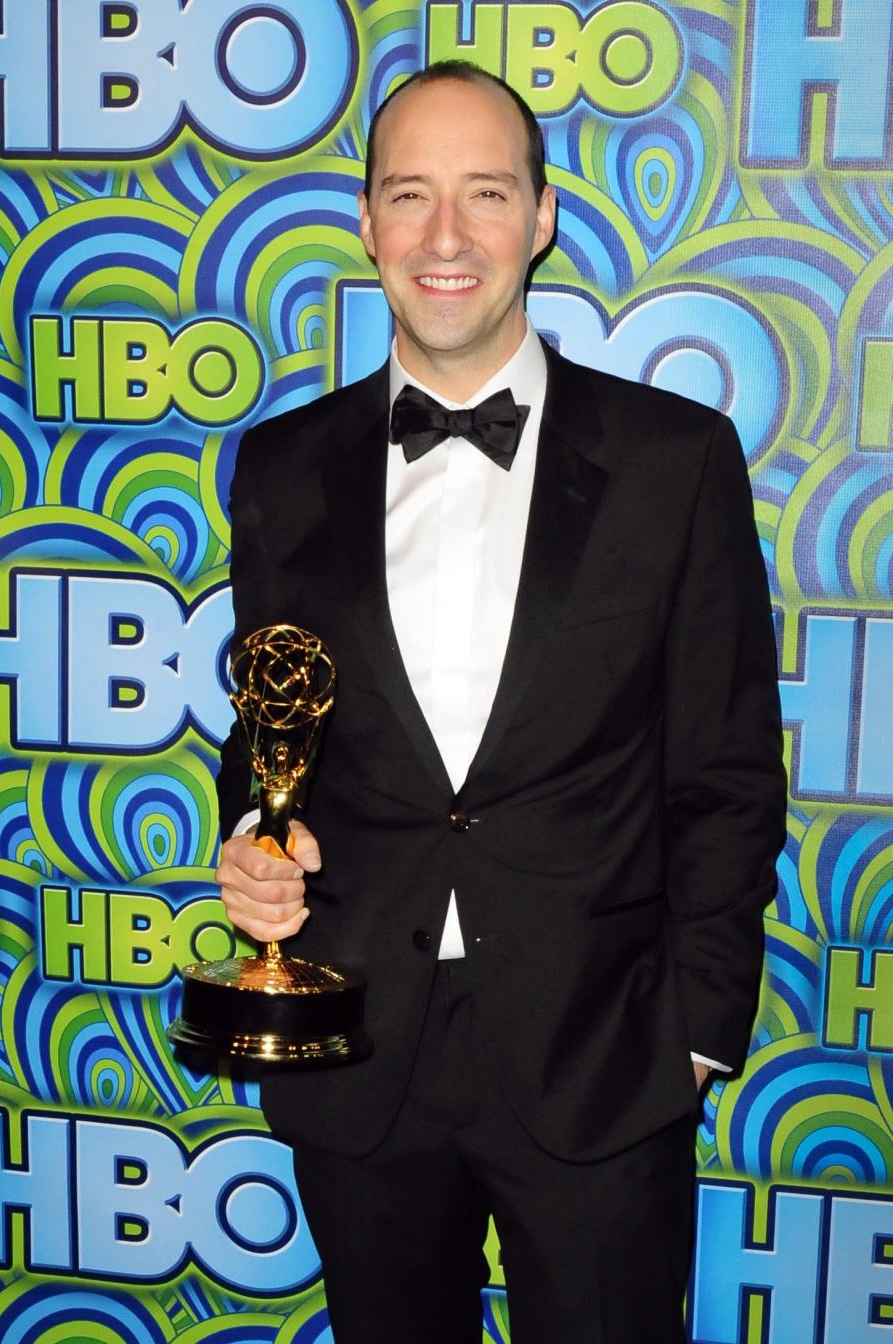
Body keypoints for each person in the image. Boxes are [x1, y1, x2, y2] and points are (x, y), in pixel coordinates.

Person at [215, 61, 786, 1344]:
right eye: (410, 195)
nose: (446, 236)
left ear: (540, 217)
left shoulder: (674, 461)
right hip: (360, 1054)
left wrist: (694, 1034)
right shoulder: (283, 468)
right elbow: (270, 729)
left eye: (485, 193)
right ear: (366, 223)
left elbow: (727, 772)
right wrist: (254, 840)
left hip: (603, 1056)